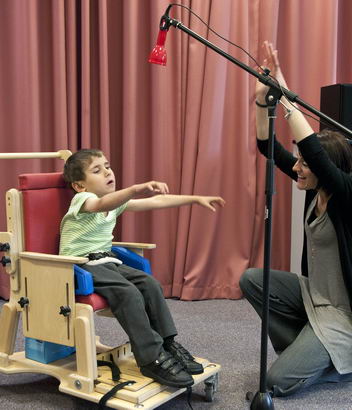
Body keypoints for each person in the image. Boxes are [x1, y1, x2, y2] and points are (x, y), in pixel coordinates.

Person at [240, 41, 352, 397]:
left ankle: (336, 360)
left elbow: (316, 156)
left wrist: (285, 96)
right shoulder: (312, 188)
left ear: (324, 168)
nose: (297, 168)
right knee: (253, 279)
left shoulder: (346, 195)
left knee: (275, 384)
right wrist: (262, 100)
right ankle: (308, 347)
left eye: (304, 163)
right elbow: (268, 147)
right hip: (313, 296)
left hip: (343, 314)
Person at [59, 148, 225, 388]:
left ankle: (167, 345)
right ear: (80, 186)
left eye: (107, 166)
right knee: (128, 293)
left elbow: (156, 201)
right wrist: (135, 189)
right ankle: (150, 358)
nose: (107, 171)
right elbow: (101, 203)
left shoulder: (115, 204)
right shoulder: (83, 200)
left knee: (149, 284)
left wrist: (194, 199)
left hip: (105, 261)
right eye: (97, 170)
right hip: (79, 265)